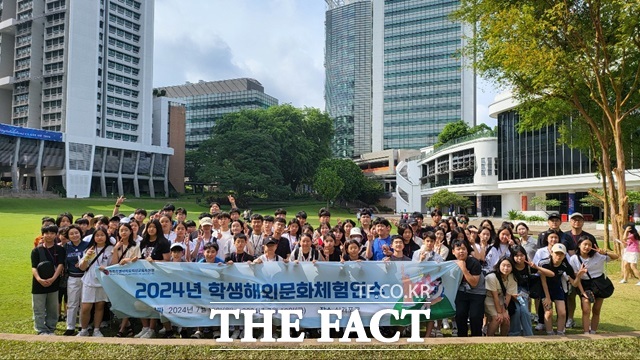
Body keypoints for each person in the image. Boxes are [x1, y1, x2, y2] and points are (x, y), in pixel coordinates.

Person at [569, 237, 619, 334]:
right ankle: (586, 332)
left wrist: (605, 253)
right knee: (586, 310)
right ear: (579, 245)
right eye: (585, 244)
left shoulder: (598, 255)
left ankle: (593, 331)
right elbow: (577, 279)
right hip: (584, 284)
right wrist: (583, 292)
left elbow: (616, 256)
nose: (587, 247)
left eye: (590, 245)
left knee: (596, 310)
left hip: (599, 283)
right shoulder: (574, 259)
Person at [135, 220, 170, 338]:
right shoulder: (143, 242)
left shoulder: (163, 242)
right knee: (141, 301)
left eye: (154, 227)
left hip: (157, 277)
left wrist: (154, 261)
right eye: (149, 227)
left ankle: (151, 328)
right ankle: (144, 327)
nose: (151, 229)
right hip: (143, 276)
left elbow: (167, 261)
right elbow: (141, 257)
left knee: (154, 303)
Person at [539, 243, 585, 335]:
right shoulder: (543, 263)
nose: (558, 256)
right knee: (548, 313)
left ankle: (560, 332)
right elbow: (543, 281)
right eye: (556, 253)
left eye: (561, 254)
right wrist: (547, 297)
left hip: (557, 288)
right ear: (551, 253)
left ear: (564, 255)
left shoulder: (566, 266)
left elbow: (574, 284)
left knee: (562, 313)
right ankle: (550, 333)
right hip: (544, 289)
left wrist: (579, 276)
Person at [509, 245, 553, 336]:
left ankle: (528, 333)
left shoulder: (529, 266)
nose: (519, 258)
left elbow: (551, 274)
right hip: (511, 292)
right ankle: (514, 334)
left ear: (525, 255)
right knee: (516, 311)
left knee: (524, 311)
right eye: (516, 256)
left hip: (523, 293)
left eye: (521, 255)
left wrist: (537, 267)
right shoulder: (510, 266)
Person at [77, 227, 113, 337]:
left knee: (100, 306)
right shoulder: (90, 249)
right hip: (89, 281)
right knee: (86, 307)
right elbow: (82, 268)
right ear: (94, 237)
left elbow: (113, 266)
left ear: (106, 237)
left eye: (102, 235)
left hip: (102, 281)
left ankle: (97, 330)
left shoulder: (111, 249)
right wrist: (87, 257)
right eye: (97, 235)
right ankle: (84, 329)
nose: (100, 237)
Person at [31, 224, 66, 335]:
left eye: (52, 233)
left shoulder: (60, 249)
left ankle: (51, 328)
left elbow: (61, 264)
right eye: (47, 233)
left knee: (52, 309)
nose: (49, 236)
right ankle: (41, 329)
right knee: (39, 308)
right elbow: (34, 267)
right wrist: (39, 279)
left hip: (54, 283)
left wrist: (53, 278)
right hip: (38, 284)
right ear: (43, 235)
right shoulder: (36, 251)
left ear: (56, 235)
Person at [452, 240, 485, 337]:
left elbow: (474, 283)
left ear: (467, 251)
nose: (461, 251)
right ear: (453, 251)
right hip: (462, 291)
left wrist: (463, 268)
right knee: (460, 315)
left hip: (477, 292)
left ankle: (476, 337)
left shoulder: (474, 263)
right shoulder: (451, 263)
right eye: (458, 249)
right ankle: (462, 337)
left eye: (463, 249)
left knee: (475, 316)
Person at [61, 224, 88, 336]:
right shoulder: (66, 246)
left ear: (80, 233)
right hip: (72, 277)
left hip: (86, 277)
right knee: (72, 303)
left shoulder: (87, 245)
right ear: (68, 236)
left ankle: (83, 325)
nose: (74, 235)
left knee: (84, 302)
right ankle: (70, 326)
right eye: (71, 234)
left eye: (76, 233)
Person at [484, 257, 517, 336]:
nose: (506, 268)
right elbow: (494, 296)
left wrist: (504, 311)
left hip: (502, 300)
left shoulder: (512, 278)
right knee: (497, 319)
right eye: (503, 265)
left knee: (506, 319)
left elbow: (508, 295)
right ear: (499, 266)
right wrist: (499, 313)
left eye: (509, 266)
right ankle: (489, 338)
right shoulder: (491, 277)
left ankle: (503, 339)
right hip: (489, 299)